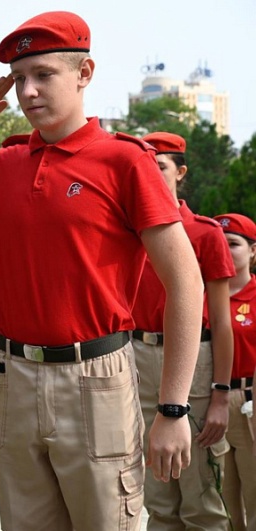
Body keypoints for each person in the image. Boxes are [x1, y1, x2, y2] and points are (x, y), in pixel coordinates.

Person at [0, 11, 203, 530]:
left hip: (95, 378)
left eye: (44, 74)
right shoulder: (2, 166)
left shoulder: (124, 161)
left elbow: (186, 284)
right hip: (14, 378)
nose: (28, 91)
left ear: (84, 74)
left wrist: (173, 409)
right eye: (18, 80)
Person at [132, 132, 234, 530]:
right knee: (156, 499)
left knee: (201, 497)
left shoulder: (206, 234)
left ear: (181, 173)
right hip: (137, 357)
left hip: (195, 361)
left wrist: (221, 395)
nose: (151, 176)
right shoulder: (128, 230)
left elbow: (221, 324)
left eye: (160, 168)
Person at [214, 213, 256, 531]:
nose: (225, 250)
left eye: (234, 244)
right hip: (210, 400)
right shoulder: (200, 295)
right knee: (220, 502)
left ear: (253, 251)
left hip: (250, 400)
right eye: (219, 244)